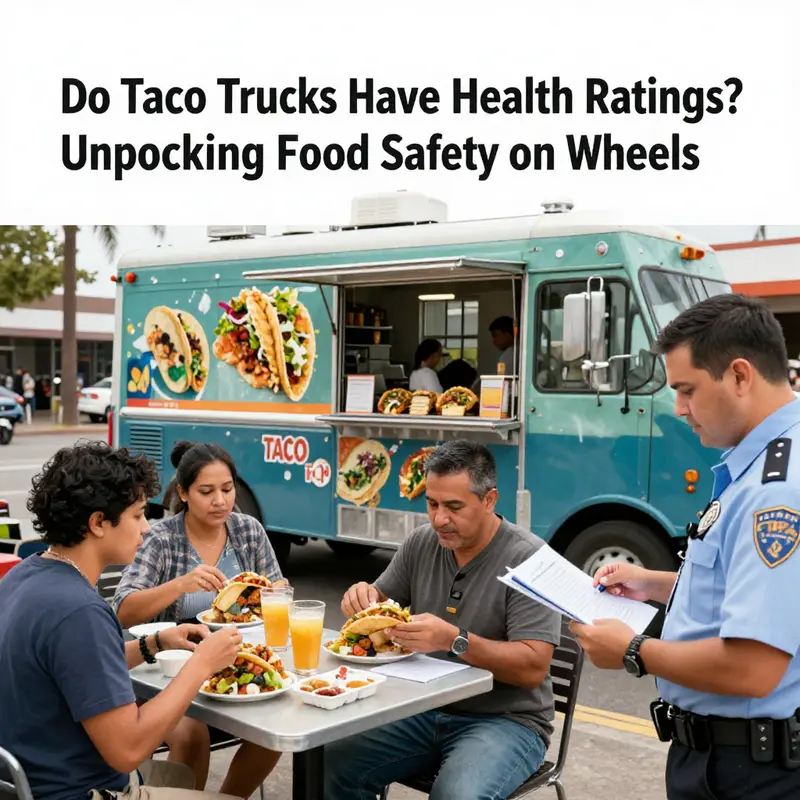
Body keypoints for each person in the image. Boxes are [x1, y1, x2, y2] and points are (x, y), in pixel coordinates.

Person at [570, 294, 800, 800]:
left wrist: (633, 651)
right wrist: (656, 583)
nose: (679, 409)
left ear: (740, 375)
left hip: (746, 772)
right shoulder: (765, 464)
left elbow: (755, 666)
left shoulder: (776, 488)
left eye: (686, 390)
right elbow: (754, 593)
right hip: (734, 757)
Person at [0, 440, 246, 800]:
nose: (146, 528)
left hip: (32, 779)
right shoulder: (79, 611)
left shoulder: (22, 577)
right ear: (98, 522)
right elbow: (128, 749)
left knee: (180, 772)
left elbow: (77, 666)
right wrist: (203, 664)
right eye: (137, 515)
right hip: (81, 790)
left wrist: (154, 643)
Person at [324, 440, 561, 800]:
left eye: (453, 506)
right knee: (328, 761)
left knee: (456, 796)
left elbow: (531, 668)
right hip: (420, 707)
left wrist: (454, 639)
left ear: (489, 500)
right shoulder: (422, 542)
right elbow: (380, 606)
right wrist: (363, 598)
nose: (438, 519)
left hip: (507, 720)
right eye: (431, 503)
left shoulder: (530, 559)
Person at [113, 440, 285, 797]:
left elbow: (278, 588)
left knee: (277, 727)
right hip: (167, 674)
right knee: (192, 736)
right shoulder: (161, 538)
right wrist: (179, 585)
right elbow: (123, 608)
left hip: (235, 662)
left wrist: (269, 592)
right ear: (184, 492)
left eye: (227, 489)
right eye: (206, 491)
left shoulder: (248, 530)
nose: (220, 501)